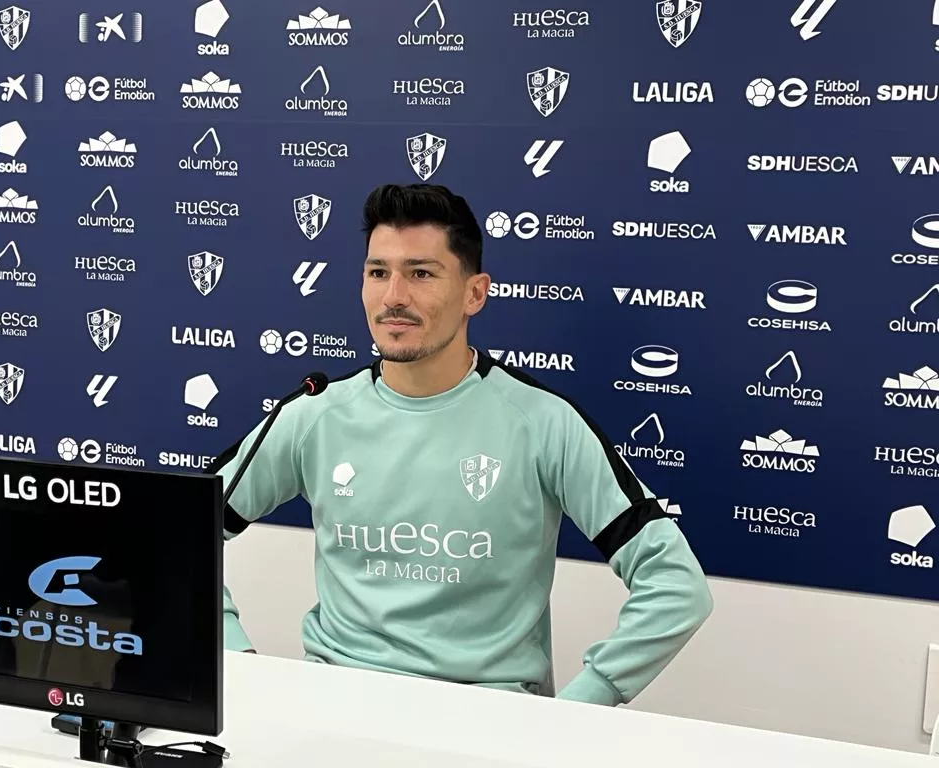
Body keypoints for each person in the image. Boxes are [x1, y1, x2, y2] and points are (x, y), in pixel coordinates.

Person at [211, 183, 713, 706]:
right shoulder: (314, 414)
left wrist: (584, 703)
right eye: (378, 272)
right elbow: (176, 533)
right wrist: (235, 661)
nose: (393, 297)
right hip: (335, 704)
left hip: (489, 714)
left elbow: (677, 585)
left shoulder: (543, 423)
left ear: (475, 293)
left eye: (421, 273)